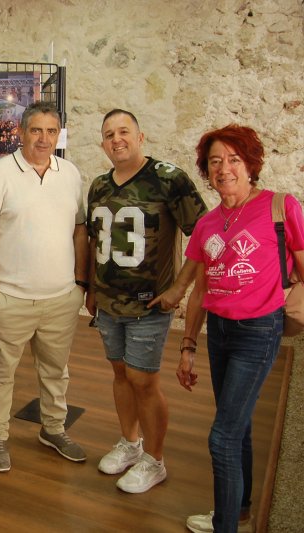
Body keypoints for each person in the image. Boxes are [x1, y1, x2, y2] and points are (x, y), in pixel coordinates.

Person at [150, 125, 304, 533]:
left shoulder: (280, 207)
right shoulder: (207, 224)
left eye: (234, 159)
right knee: (239, 426)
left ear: (250, 165)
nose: (224, 169)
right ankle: (239, 512)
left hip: (259, 330)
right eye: (215, 161)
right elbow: (200, 289)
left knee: (222, 438)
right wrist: (187, 346)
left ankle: (225, 525)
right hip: (219, 332)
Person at [86, 109, 208, 493]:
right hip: (109, 304)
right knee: (121, 374)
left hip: (149, 305)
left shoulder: (169, 179)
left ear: (140, 137)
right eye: (109, 134)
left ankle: (155, 461)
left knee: (143, 380)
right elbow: (95, 241)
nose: (116, 139)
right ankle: (130, 443)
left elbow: (204, 236)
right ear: (103, 144)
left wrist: (179, 289)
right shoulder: (99, 186)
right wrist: (91, 288)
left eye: (124, 131)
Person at [0, 101, 89, 471]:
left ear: (58, 134)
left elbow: (80, 231)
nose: (43, 138)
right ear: (20, 132)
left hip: (61, 298)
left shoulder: (70, 174)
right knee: (0, 374)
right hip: (11, 298)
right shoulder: (0, 174)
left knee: (56, 371)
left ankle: (53, 429)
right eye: (36, 130)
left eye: (51, 131)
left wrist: (80, 284)